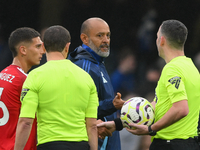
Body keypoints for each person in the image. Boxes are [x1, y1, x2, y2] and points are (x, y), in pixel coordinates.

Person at [97, 20, 200, 150]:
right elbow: (155, 107)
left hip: (170, 144)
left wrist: (151, 129)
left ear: (161, 40)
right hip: (189, 143)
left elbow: (181, 108)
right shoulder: (191, 67)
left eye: (157, 37)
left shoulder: (172, 69)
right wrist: (118, 123)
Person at [14, 25, 99, 150]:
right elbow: (92, 126)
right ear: (67, 46)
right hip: (80, 145)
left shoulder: (34, 77)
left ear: (43, 46)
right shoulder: (86, 78)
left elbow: (26, 122)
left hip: (49, 144)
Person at [68, 17, 124, 150]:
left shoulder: (98, 63)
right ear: (84, 38)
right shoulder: (84, 65)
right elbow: (79, 107)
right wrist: (112, 105)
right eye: (100, 35)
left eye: (108, 35)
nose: (106, 40)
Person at [0, 27, 44, 150]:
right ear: (23, 50)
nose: (42, 51)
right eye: (37, 46)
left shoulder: (2, 74)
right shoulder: (24, 80)